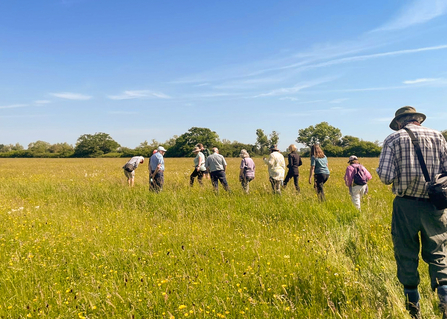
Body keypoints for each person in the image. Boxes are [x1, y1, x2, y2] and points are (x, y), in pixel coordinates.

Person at [377, 106, 447, 319]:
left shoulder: (393, 139)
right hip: (435, 204)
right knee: (439, 252)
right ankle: (445, 305)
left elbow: (386, 177)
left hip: (405, 205)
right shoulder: (438, 136)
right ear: (418, 120)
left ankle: (414, 310)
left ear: (400, 122)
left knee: (406, 252)